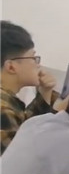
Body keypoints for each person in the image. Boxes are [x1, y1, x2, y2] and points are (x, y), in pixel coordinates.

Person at [0, 21, 58, 154]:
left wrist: (45, 91)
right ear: (11, 67)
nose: (38, 64)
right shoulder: (3, 110)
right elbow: (23, 156)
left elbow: (27, 128)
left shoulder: (8, 101)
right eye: (33, 58)